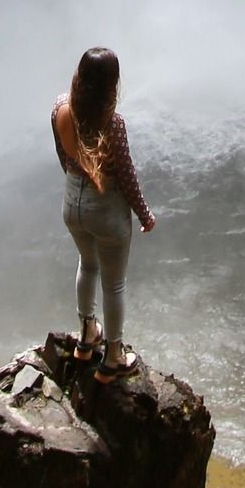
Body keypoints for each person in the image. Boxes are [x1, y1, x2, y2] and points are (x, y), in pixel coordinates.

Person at [51, 44, 154, 380]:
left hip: (72, 204)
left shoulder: (60, 110)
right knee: (114, 284)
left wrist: (73, 187)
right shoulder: (114, 126)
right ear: (112, 86)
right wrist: (144, 214)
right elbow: (126, 177)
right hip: (105, 210)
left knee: (87, 264)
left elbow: (63, 157)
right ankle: (113, 356)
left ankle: (85, 337)